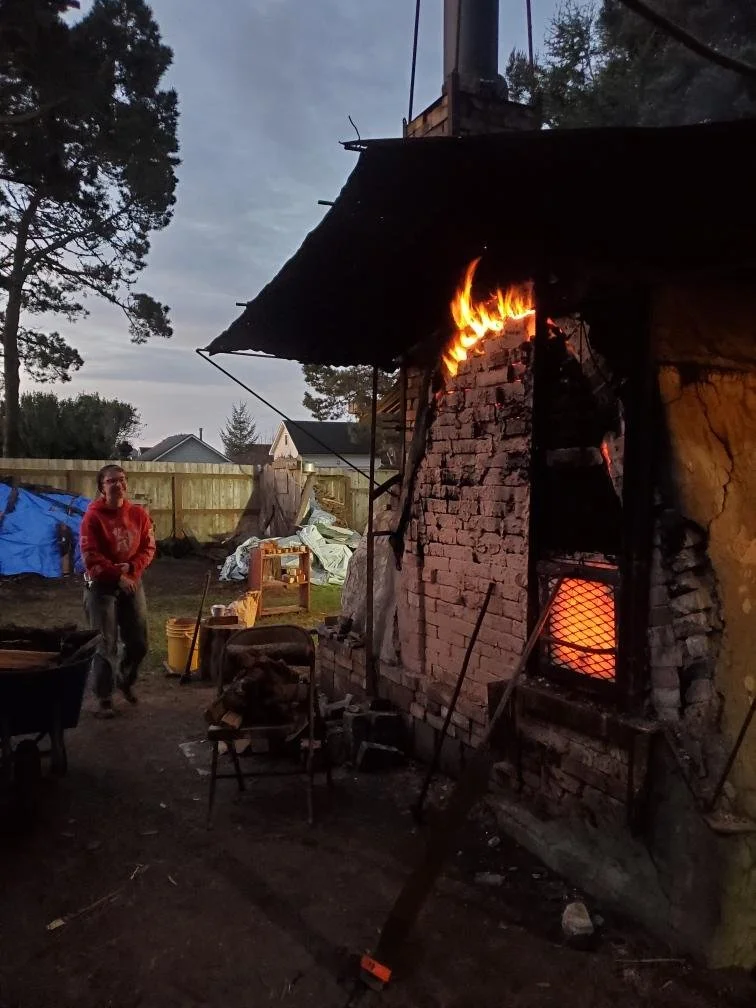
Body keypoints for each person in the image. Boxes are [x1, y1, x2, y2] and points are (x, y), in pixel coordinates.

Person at [80, 464, 156, 718]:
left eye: (121, 480)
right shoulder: (93, 517)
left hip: (131, 582)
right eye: (111, 481)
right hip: (102, 586)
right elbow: (91, 557)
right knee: (106, 644)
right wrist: (117, 574)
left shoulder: (138, 515)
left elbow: (148, 547)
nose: (118, 485)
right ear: (102, 486)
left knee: (139, 642)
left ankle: (124, 679)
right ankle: (104, 698)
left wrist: (132, 567)